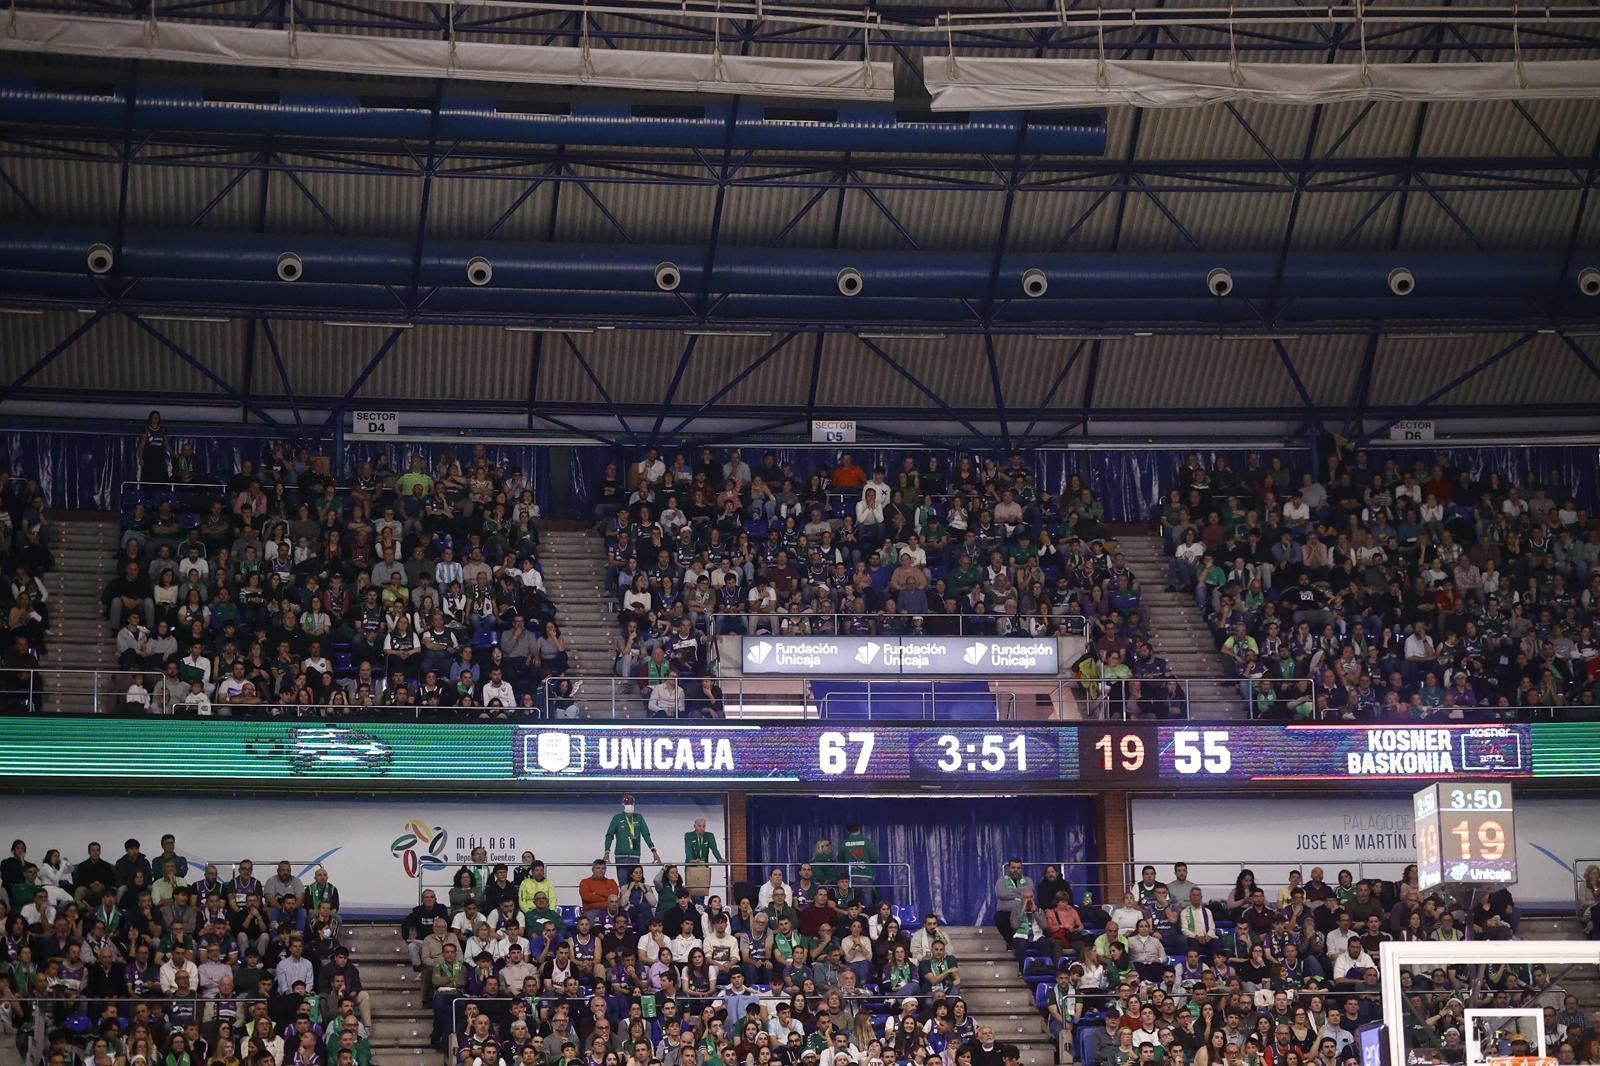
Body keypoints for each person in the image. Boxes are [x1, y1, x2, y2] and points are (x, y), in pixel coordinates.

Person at [603, 794, 661, 869]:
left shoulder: (639, 817)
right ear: (623, 804)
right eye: (627, 803)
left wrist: (653, 851)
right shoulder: (617, 818)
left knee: (635, 876)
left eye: (631, 803)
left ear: (634, 803)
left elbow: (646, 835)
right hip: (621, 855)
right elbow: (609, 835)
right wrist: (607, 852)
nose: (629, 805)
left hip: (635, 855)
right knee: (623, 877)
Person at [682, 817, 722, 901]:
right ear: (695, 826)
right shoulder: (689, 835)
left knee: (702, 891)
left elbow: (714, 849)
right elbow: (688, 850)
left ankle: (700, 906)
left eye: (704, 826)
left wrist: (720, 858)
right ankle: (696, 906)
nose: (702, 828)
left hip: (703, 867)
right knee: (692, 892)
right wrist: (691, 860)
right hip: (692, 868)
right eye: (700, 826)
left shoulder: (709, 836)